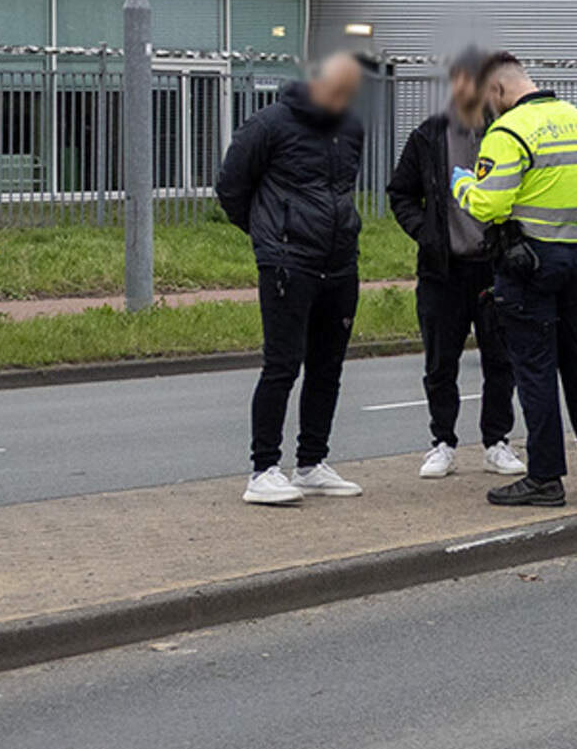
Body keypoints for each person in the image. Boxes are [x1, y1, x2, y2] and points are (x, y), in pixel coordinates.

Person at [454, 56, 577, 508]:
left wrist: (463, 186)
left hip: (528, 264)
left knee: (535, 371)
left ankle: (545, 478)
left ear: (498, 91)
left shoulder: (508, 133)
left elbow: (489, 204)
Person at [214, 49, 372, 505]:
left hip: (340, 262)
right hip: (288, 262)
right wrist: (270, 235)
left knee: (328, 368)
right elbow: (231, 187)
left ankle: (311, 464)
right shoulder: (270, 123)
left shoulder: (351, 128)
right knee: (282, 365)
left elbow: (340, 190)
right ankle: (263, 470)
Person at [386, 46, 523, 480]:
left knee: (500, 360)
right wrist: (426, 233)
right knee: (440, 362)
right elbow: (400, 193)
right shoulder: (428, 136)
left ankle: (497, 441)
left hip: (494, 267)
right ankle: (442, 442)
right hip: (442, 270)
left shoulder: (505, 133)